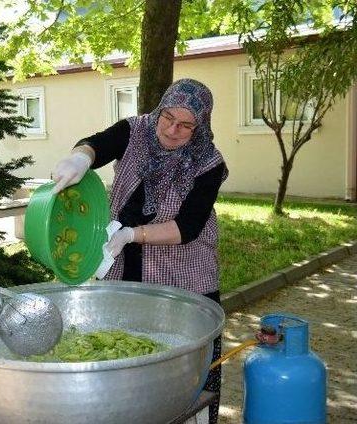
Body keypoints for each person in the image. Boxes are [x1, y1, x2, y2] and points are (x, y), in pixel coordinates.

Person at [52, 78, 228, 423]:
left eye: (186, 125)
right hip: (127, 264)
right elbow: (97, 145)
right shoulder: (135, 130)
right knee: (132, 356)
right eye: (168, 117)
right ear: (159, 109)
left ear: (201, 125)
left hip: (184, 268)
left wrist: (134, 233)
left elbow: (187, 228)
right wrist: (79, 158)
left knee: (190, 365)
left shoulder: (208, 162)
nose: (172, 130)